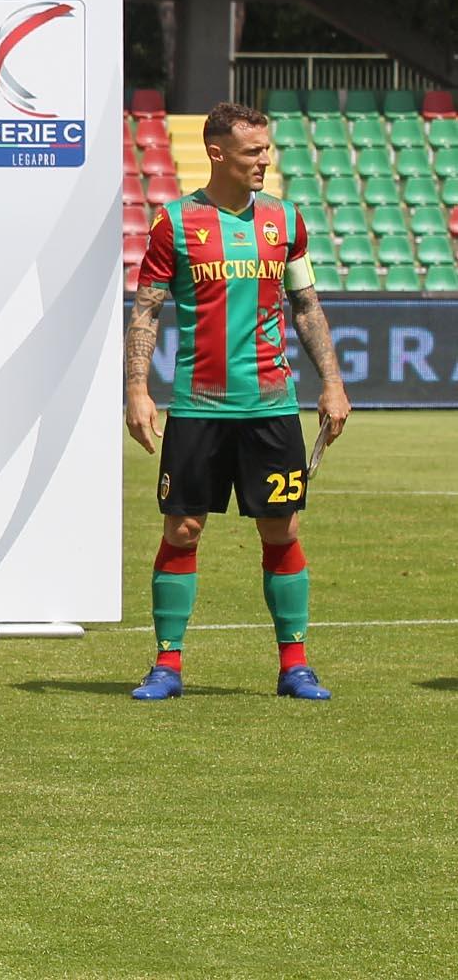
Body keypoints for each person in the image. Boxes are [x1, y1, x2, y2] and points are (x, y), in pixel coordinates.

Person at [124, 101, 349, 702]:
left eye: (266, 149)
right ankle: (167, 664)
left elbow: (306, 307)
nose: (264, 160)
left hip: (271, 405)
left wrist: (331, 381)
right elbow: (146, 311)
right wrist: (137, 390)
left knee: (281, 527)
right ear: (217, 153)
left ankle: (295, 666)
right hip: (198, 407)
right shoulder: (175, 223)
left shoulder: (286, 220)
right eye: (253, 151)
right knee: (183, 528)